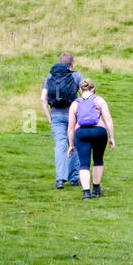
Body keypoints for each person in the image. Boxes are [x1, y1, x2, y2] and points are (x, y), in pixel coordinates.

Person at [68, 80, 114, 201]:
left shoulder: (75, 104)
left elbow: (71, 127)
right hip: (99, 131)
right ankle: (96, 189)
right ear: (93, 89)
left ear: (80, 90)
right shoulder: (99, 100)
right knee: (98, 160)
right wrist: (112, 137)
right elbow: (108, 119)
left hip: (81, 133)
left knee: (84, 163)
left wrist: (71, 144)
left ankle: (86, 193)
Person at [41, 53, 83, 189]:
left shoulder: (50, 76)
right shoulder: (76, 76)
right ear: (72, 64)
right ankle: (74, 177)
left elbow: (43, 99)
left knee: (60, 145)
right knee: (74, 144)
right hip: (73, 116)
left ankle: (60, 179)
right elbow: (85, 96)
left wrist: (49, 117)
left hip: (56, 116)